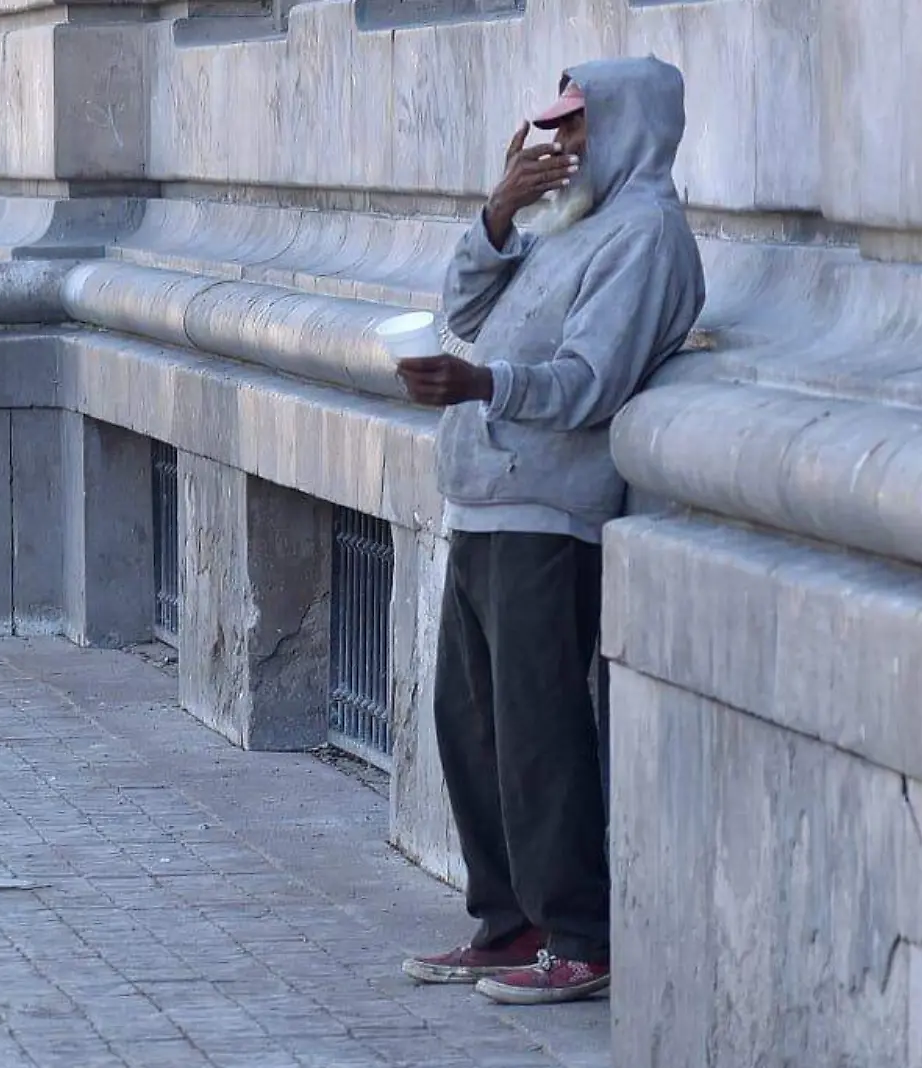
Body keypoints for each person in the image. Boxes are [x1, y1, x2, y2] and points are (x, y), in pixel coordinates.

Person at [393, 56, 705, 1006]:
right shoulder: (562, 225)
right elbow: (462, 311)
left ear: (625, 131)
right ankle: (511, 922)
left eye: (575, 128)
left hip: (552, 511)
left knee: (539, 732)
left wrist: (486, 385)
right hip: (485, 497)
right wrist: (498, 211)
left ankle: (580, 935)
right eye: (552, 130)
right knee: (472, 725)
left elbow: (590, 383)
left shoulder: (646, 231)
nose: (557, 146)